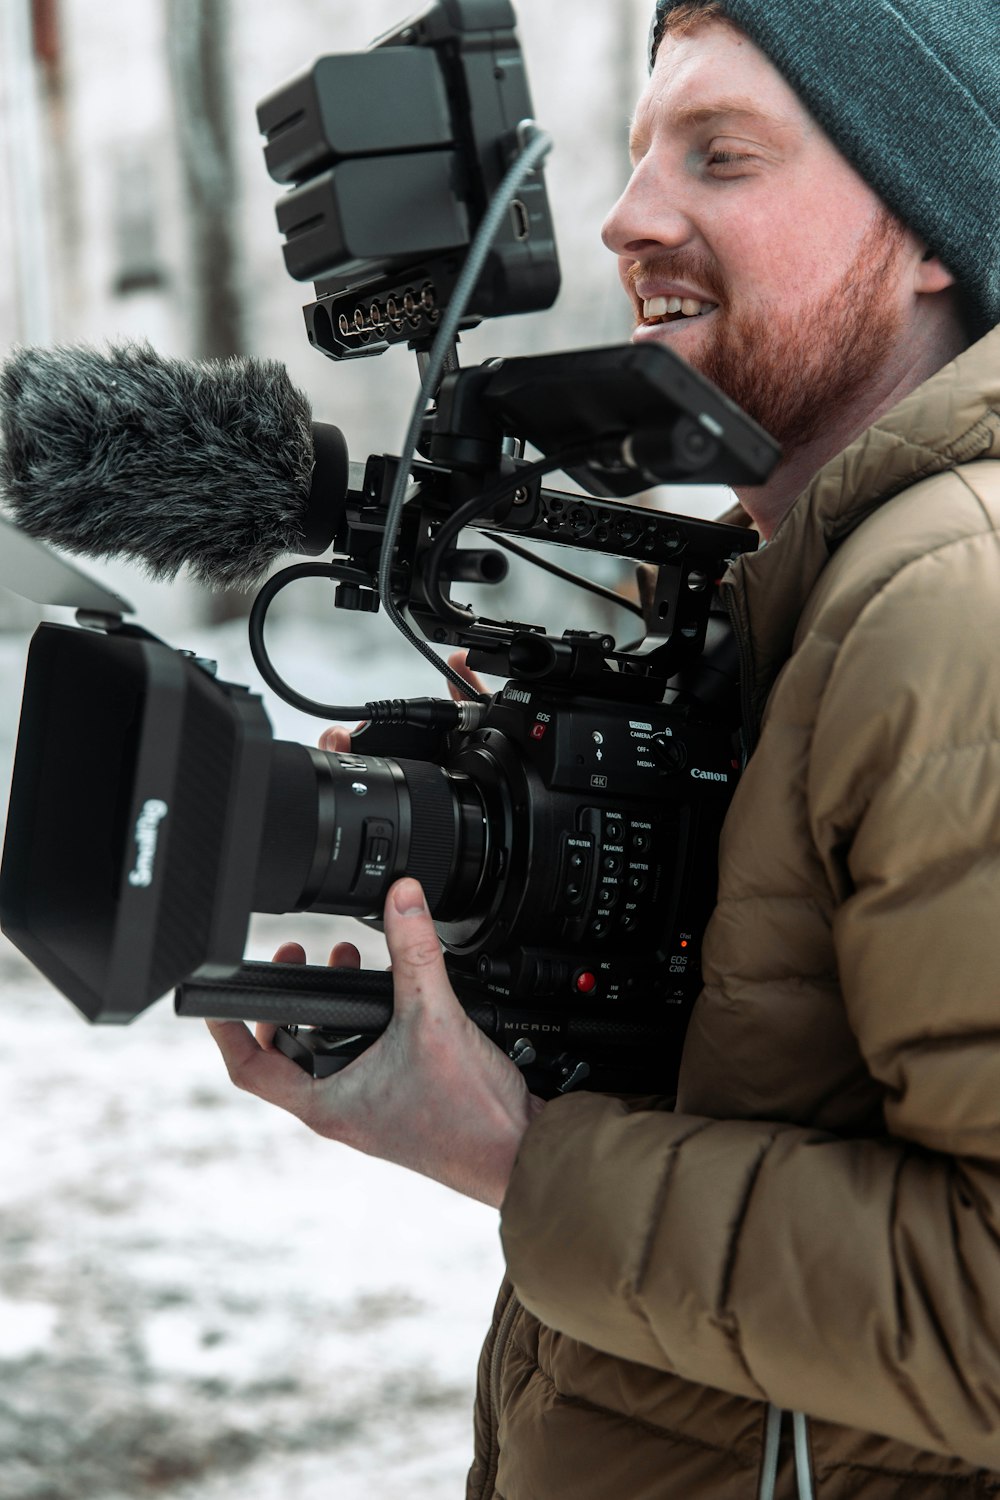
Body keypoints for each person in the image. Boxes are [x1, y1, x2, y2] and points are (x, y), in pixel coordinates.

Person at [208, 0, 1000, 1494]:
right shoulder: (761, 593)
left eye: (723, 155)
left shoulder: (956, 609)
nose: (632, 217)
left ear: (933, 222)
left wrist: (519, 1156)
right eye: (640, 156)